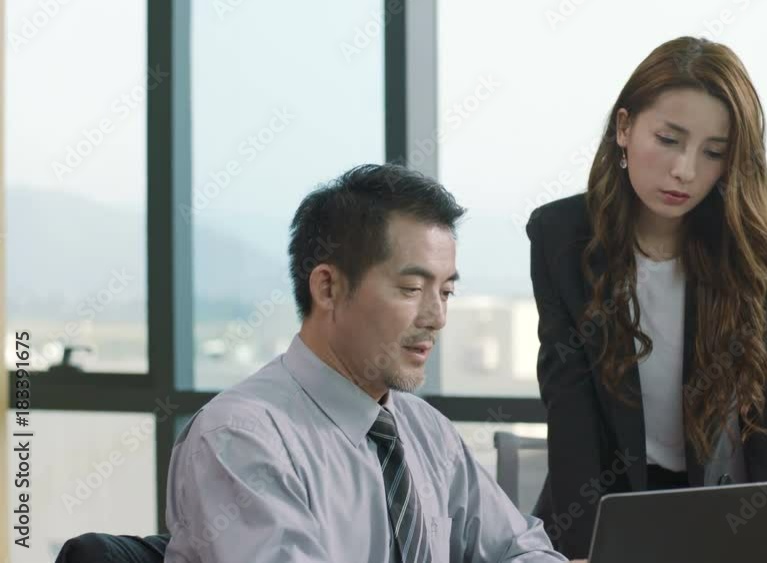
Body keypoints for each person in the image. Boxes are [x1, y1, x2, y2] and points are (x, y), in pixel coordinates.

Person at [164, 164, 573, 562]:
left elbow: (521, 547)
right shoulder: (240, 438)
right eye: (411, 288)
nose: (436, 317)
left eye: (446, 292)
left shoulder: (425, 430)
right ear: (328, 288)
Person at [527, 36, 767, 559]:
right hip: (601, 510)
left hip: (720, 513)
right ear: (624, 127)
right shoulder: (560, 236)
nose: (686, 171)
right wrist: (588, 552)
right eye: (670, 139)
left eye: (713, 153)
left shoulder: (752, 246)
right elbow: (571, 411)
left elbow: (765, 402)